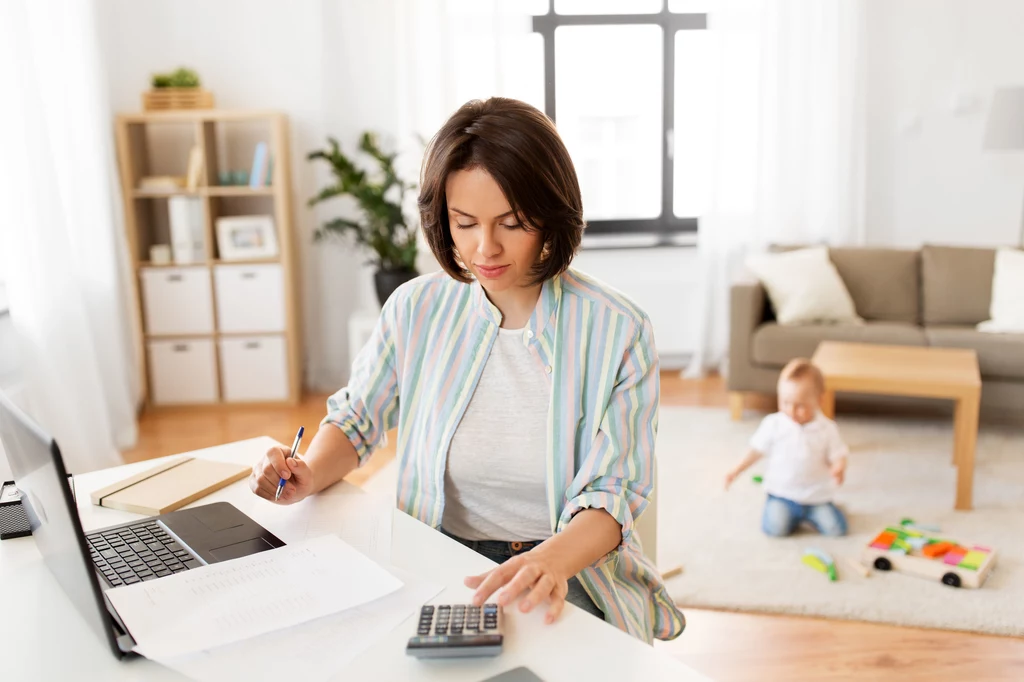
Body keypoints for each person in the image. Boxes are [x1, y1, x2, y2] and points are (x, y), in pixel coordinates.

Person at [248, 97, 684, 643]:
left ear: (550, 214)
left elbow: (614, 493)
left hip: (567, 568)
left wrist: (547, 564)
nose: (487, 247)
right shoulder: (416, 308)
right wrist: (308, 472)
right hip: (435, 552)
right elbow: (359, 419)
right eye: (466, 223)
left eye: (513, 222)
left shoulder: (619, 330)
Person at [724, 358, 849, 537]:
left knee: (837, 530)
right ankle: (790, 514)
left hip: (816, 496)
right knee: (775, 529)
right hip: (782, 494)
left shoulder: (827, 428)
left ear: (819, 400)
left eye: (800, 405)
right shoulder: (774, 424)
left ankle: (818, 513)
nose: (791, 410)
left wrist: (839, 467)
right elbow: (755, 449)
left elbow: (839, 454)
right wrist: (736, 469)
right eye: (785, 402)